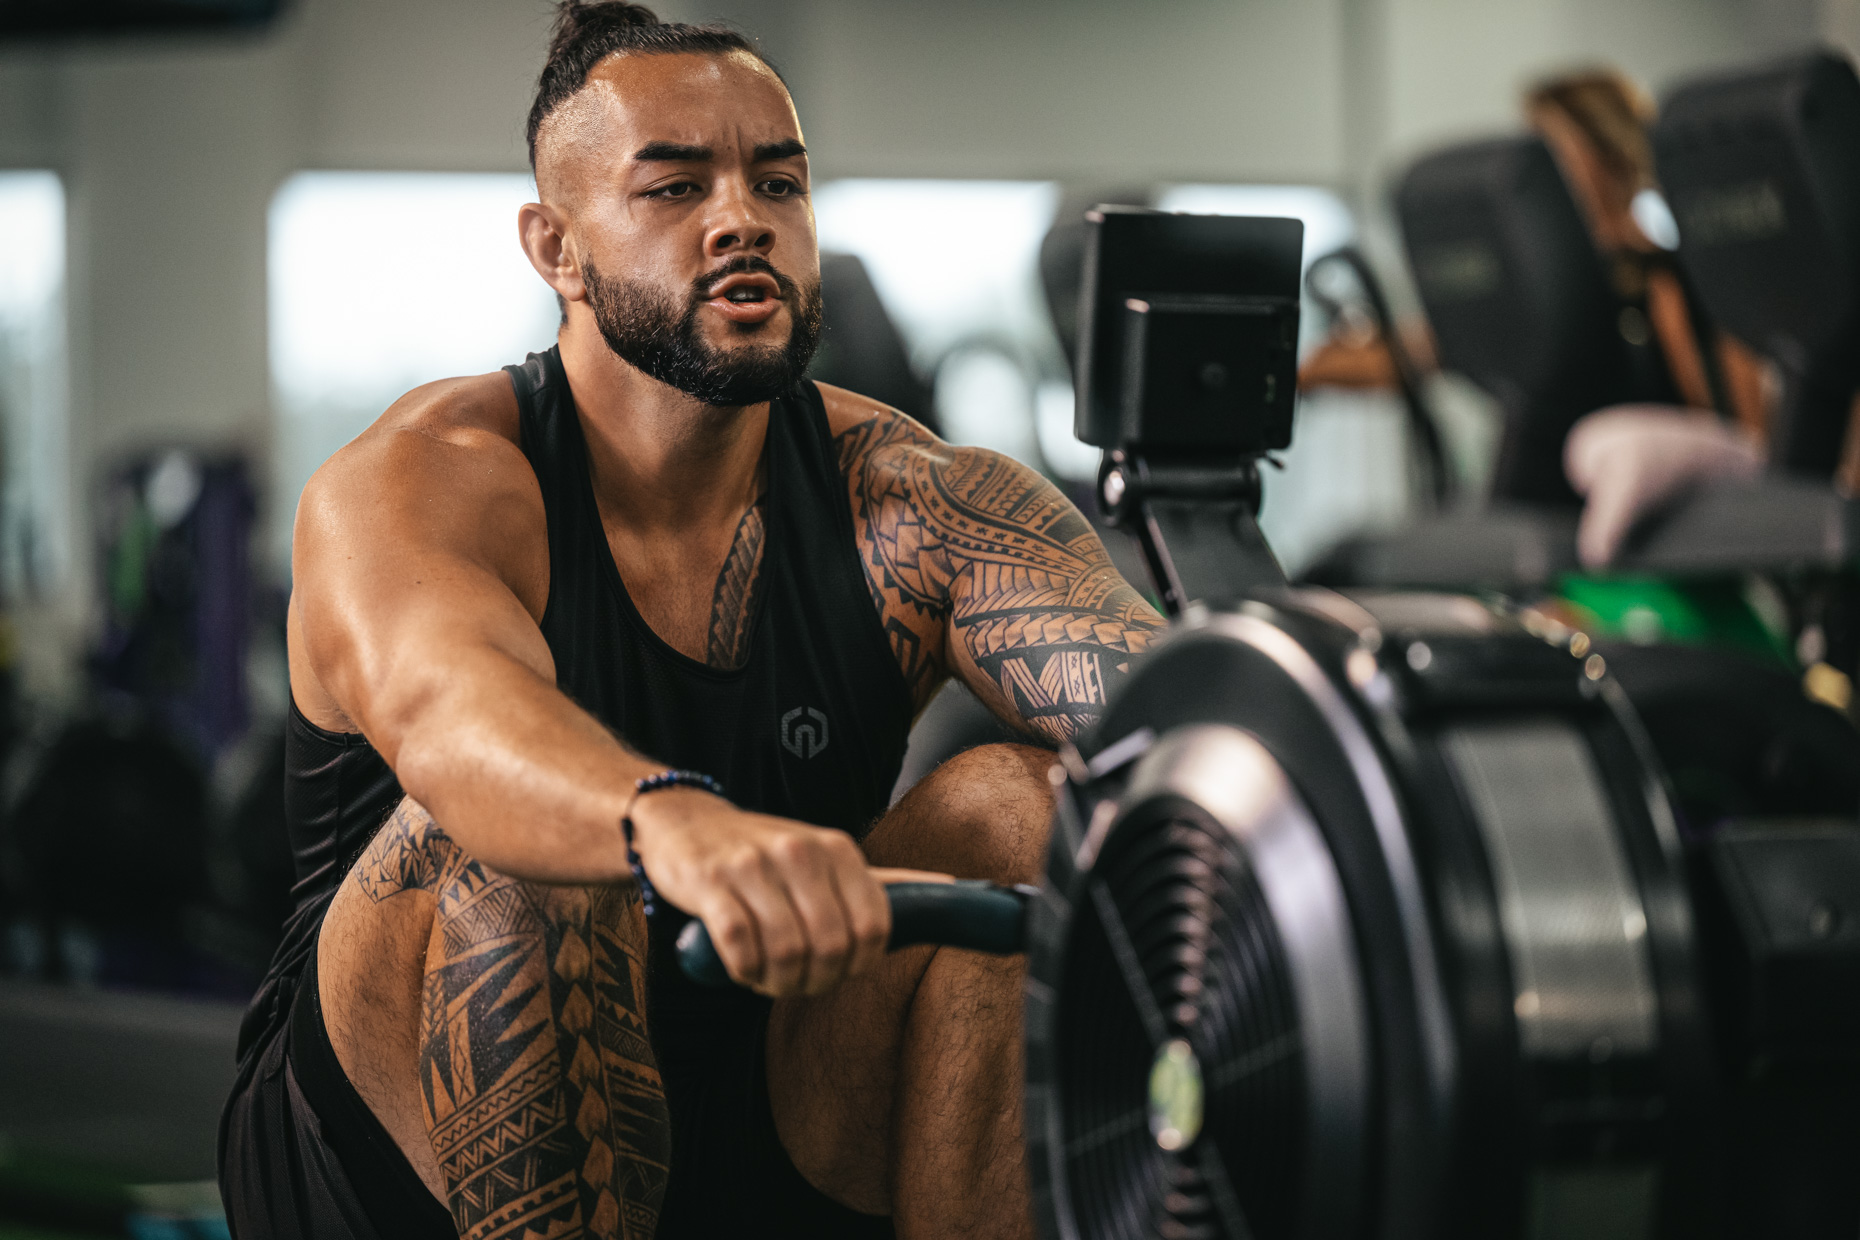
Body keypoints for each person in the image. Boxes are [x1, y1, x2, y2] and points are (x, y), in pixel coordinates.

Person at [216, 6, 1164, 1239]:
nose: (743, 218)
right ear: (556, 248)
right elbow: (451, 717)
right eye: (673, 188)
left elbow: (1169, 706)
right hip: (390, 1156)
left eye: (779, 180)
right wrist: (670, 821)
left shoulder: (913, 500)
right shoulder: (423, 479)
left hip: (773, 1079)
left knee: (1026, 809)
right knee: (524, 858)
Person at [1304, 67, 1860, 566]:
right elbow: (1414, 352)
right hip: (1545, 547)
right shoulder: (1546, 297)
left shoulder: (1670, 284)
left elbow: (1747, 440)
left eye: (1549, 154)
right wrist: (1302, 374)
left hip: (1635, 554)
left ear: (1603, 157)